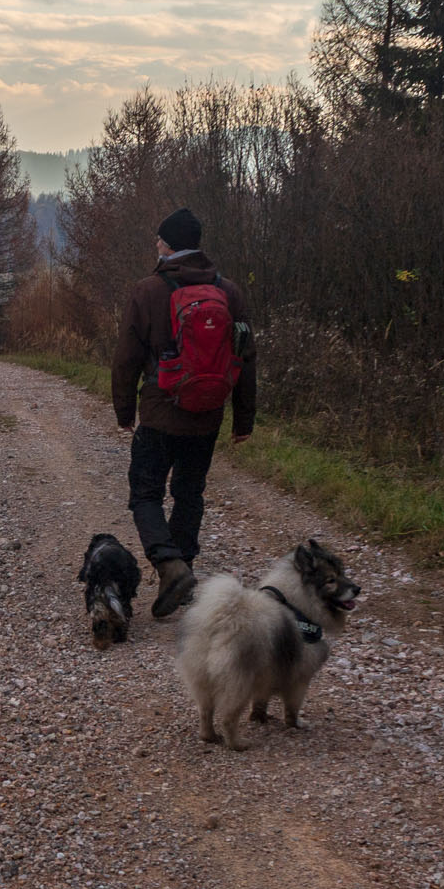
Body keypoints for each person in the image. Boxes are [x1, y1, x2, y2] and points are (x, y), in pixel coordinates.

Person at [110, 207, 258, 618]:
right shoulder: (229, 292)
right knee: (189, 494)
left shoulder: (148, 291)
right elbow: (246, 357)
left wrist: (124, 410)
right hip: (208, 413)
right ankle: (183, 570)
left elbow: (126, 358)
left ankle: (170, 565)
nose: (156, 244)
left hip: (160, 412)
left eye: (159, 239)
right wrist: (243, 419)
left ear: (170, 244)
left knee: (145, 493)